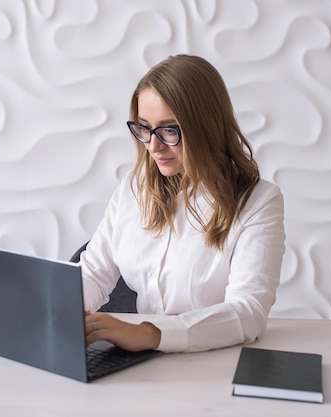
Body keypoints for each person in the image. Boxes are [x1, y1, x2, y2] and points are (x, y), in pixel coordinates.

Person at [79, 54, 285, 353]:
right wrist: (53, 313)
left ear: (206, 127)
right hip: (140, 361)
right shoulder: (133, 188)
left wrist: (151, 334)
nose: (153, 145)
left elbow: (248, 312)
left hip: (214, 360)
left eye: (169, 130)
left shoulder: (258, 201)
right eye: (144, 128)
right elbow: (93, 273)